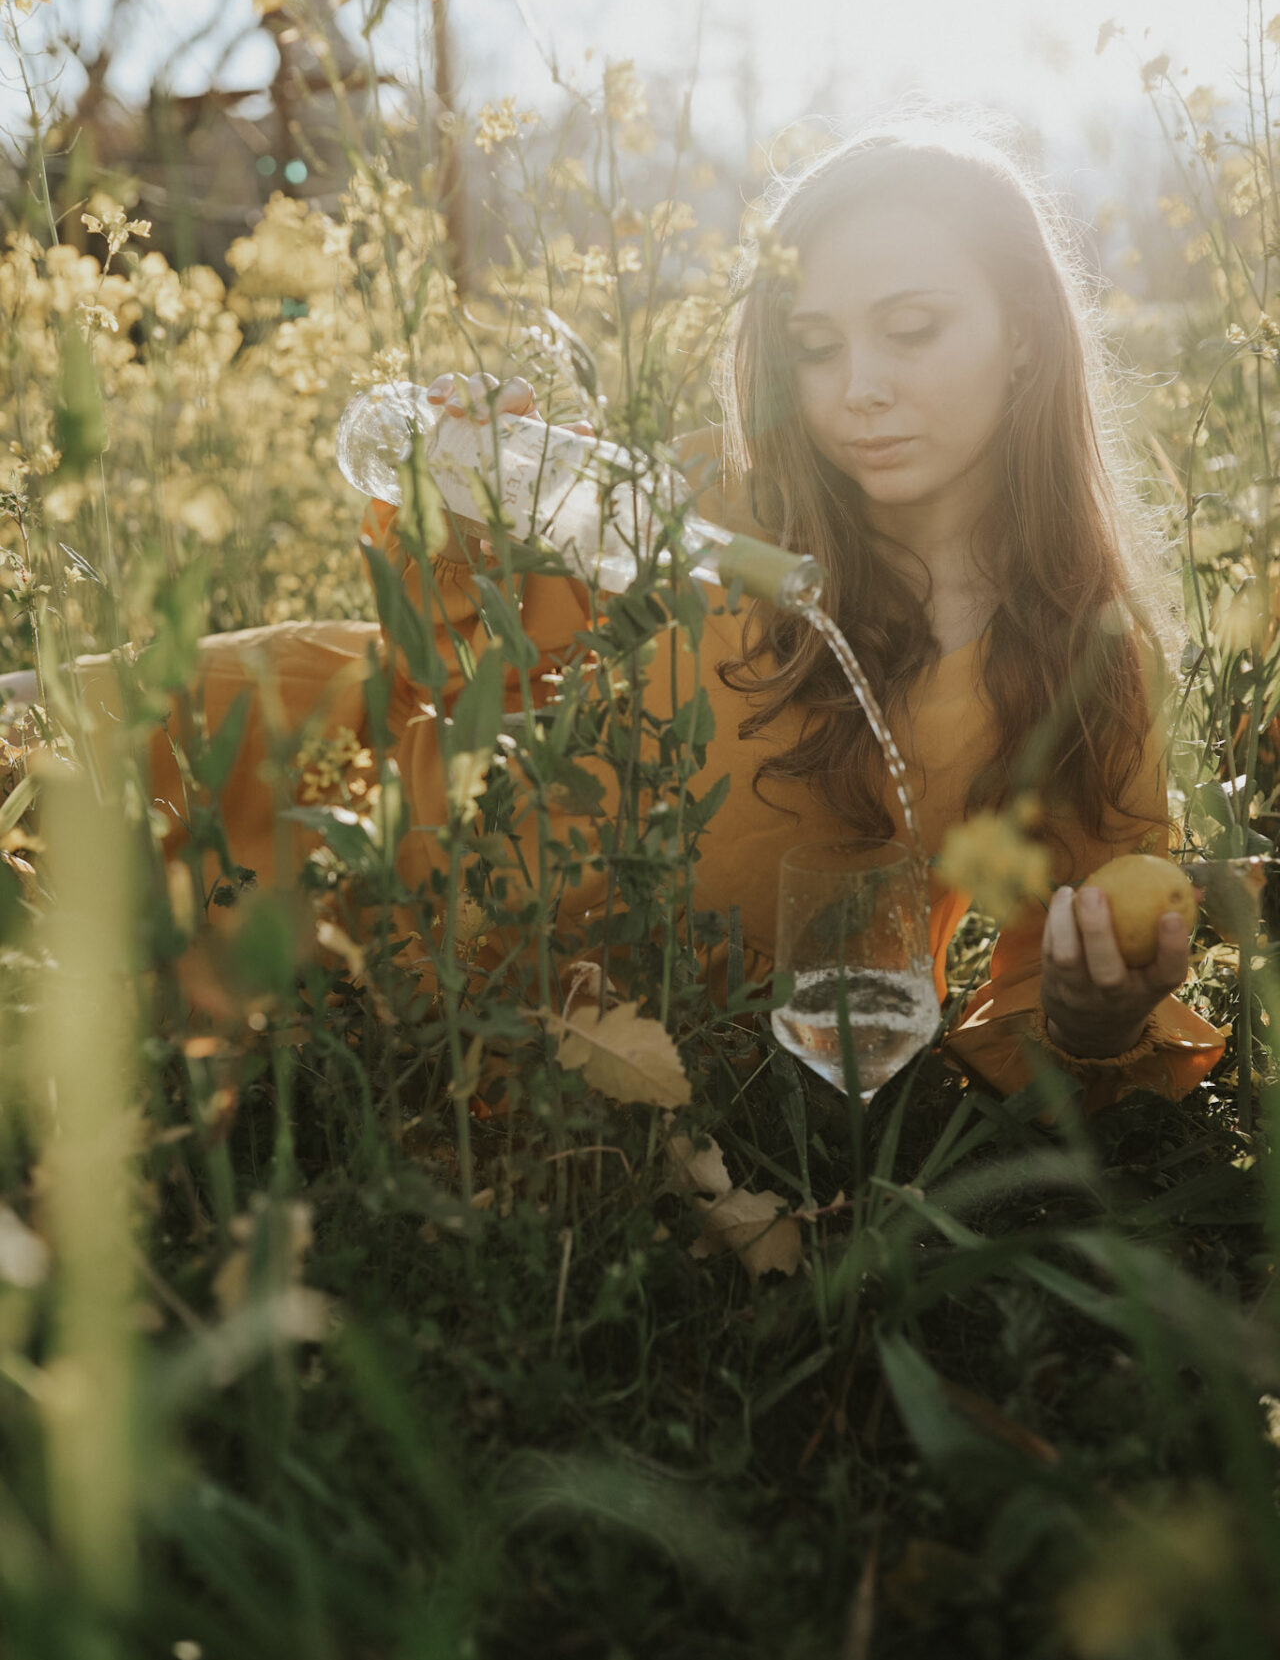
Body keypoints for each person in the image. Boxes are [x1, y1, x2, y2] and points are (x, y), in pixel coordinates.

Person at [33, 113, 1225, 1113]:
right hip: (332, 795)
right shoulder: (711, 497)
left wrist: (1090, 1014)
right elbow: (456, 679)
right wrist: (458, 497)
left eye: (910, 330)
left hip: (567, 1022)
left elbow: (1055, 985)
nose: (859, 388)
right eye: (813, 346)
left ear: (1021, 334)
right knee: (32, 752)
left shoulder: (1083, 661)